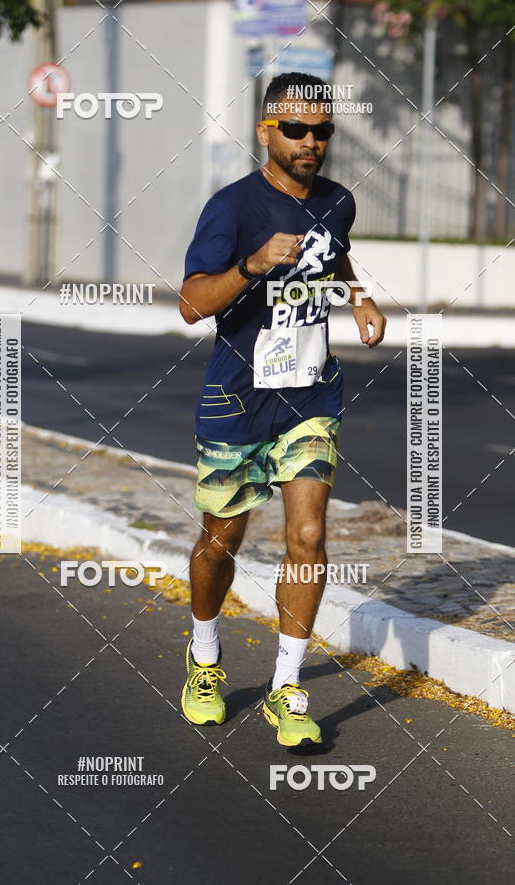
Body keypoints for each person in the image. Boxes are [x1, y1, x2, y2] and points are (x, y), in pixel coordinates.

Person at [178, 71, 386, 747]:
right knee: (221, 541)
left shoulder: (339, 201)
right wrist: (252, 267)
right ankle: (205, 661)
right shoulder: (232, 208)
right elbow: (191, 304)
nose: (310, 141)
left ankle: (286, 687)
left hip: (311, 396)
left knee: (307, 537)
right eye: (295, 129)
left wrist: (358, 298)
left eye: (322, 130)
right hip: (235, 399)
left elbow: (336, 254)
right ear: (265, 130)